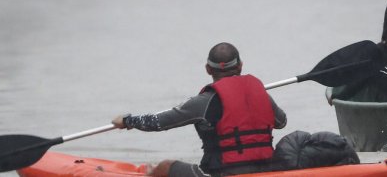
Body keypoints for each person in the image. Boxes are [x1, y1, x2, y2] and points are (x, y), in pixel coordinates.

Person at [112, 42, 287, 177]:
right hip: (265, 170)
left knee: (165, 166)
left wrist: (127, 121)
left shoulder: (204, 102)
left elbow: (159, 122)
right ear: (240, 65)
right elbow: (282, 122)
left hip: (220, 173)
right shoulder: (261, 94)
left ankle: (151, 172)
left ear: (208, 69)